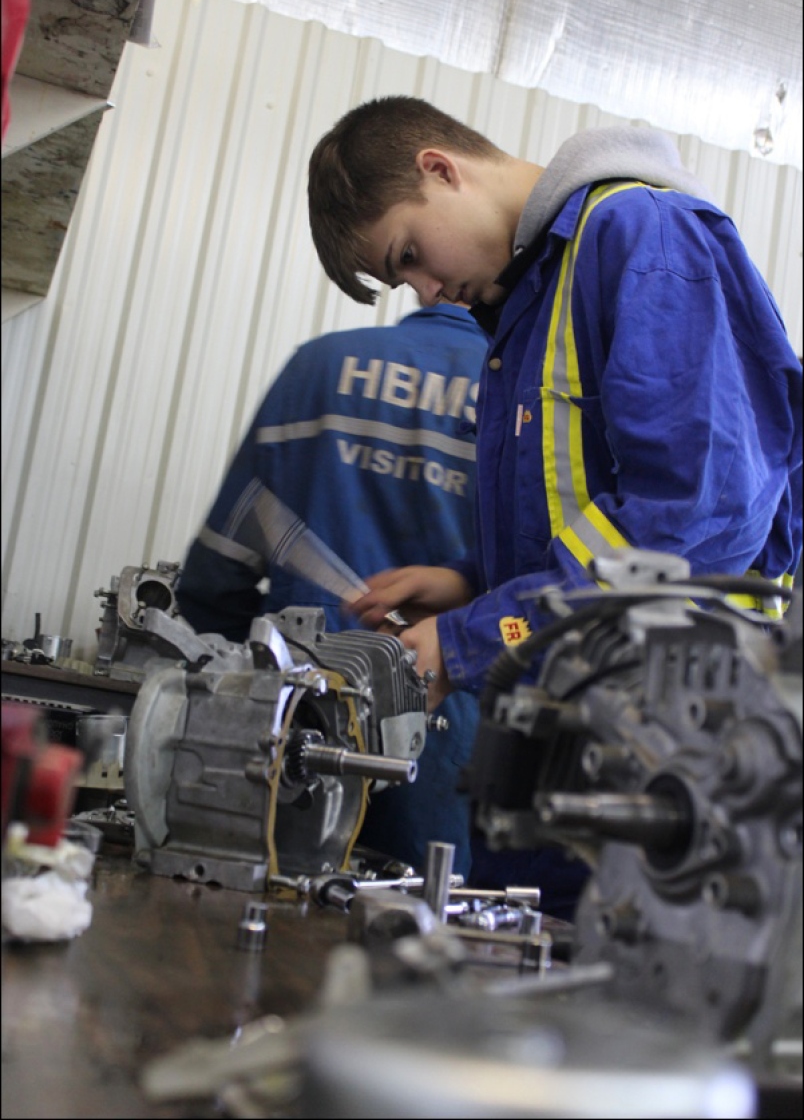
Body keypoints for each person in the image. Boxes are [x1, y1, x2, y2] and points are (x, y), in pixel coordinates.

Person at [306, 97, 803, 901]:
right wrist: (471, 579)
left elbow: (698, 519)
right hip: (563, 759)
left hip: (665, 770)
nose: (428, 290)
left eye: (410, 255)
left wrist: (471, 636)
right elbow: (589, 518)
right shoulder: (526, 306)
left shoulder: (641, 236)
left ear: (440, 167)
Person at [175, 303, 489, 880]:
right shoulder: (517, 394)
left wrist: (244, 698)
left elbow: (213, 579)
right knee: (415, 934)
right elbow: (539, 592)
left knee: (251, 913)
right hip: (443, 733)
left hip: (288, 724)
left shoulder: (316, 368)